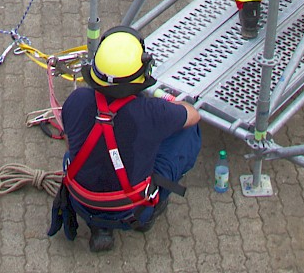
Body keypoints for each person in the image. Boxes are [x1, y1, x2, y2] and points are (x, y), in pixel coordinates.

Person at [48, 28, 201, 255]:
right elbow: (193, 115)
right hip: (133, 209)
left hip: (81, 202)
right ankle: (147, 215)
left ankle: (99, 227)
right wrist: (169, 105)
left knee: (76, 155)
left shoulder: (77, 100)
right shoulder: (153, 112)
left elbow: (72, 147)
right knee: (189, 132)